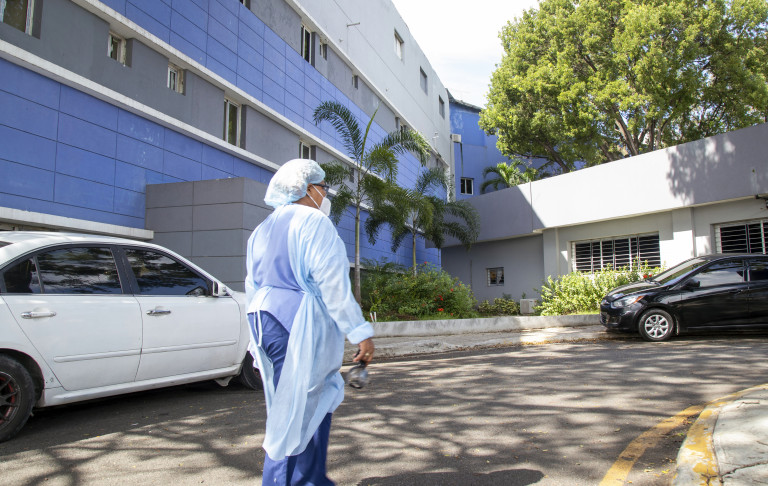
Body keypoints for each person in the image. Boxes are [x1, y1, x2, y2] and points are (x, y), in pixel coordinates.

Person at [245, 158, 375, 485]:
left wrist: (254, 340)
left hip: (264, 320)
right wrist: (360, 332)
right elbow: (333, 284)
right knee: (298, 410)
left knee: (296, 404)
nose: (325, 193)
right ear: (306, 188)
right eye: (323, 186)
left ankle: (309, 478)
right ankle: (295, 480)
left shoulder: (262, 228)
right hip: (297, 322)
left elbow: (252, 284)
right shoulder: (315, 222)